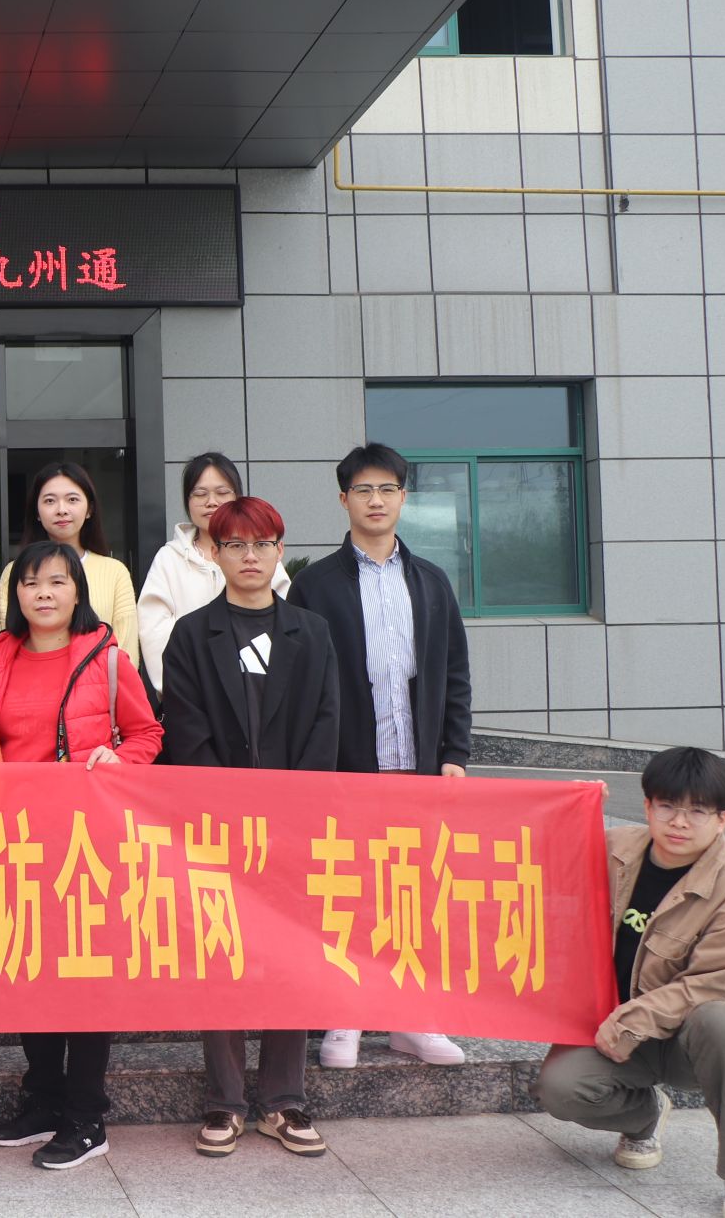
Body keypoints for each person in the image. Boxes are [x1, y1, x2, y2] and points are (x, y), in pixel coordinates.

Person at [158, 498, 339, 1159]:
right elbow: (186, 729)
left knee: (292, 954)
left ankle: (284, 1099)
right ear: (215, 553)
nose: (250, 556)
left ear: (279, 551)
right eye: (235, 544)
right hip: (217, 823)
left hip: (294, 823)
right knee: (222, 952)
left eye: (262, 544)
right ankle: (226, 1100)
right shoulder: (191, 634)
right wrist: (231, 807)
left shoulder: (312, 632)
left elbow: (327, 723)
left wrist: (289, 807)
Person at [287, 442, 472, 1071]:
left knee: (415, 892)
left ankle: (411, 1019)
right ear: (343, 499)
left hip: (419, 765)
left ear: (403, 498)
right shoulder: (315, 585)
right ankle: (345, 1015)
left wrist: (454, 750)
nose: (375, 500)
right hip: (347, 768)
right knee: (349, 892)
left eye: (387, 489)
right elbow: (301, 684)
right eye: (363, 490)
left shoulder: (431, 581)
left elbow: (453, 672)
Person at [0, 540, 161, 1170]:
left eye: (57, 581)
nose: (44, 593)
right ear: (16, 594)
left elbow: (147, 733)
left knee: (84, 974)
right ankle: (44, 1099)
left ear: (78, 590)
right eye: (31, 583)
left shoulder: (106, 657)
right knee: (30, 968)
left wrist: (120, 758)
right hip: (18, 839)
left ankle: (87, 1116)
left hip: (89, 841)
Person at [536, 748, 725, 1218]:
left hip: (690, 1042)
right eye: (667, 806)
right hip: (615, 1031)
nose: (679, 822)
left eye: (697, 811)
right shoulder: (615, 849)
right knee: (559, 1087)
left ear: (721, 820)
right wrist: (573, 811)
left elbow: (710, 984)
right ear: (647, 806)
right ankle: (645, 1117)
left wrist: (631, 1022)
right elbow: (537, 855)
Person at [136, 452, 289, 694]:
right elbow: (154, 631)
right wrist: (183, 685)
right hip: (190, 691)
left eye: (222, 492)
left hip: (259, 688)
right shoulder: (169, 558)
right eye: (200, 494)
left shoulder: (260, 555)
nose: (211, 502)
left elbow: (283, 619)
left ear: (237, 496)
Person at [0, 461, 139, 664]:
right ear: (37, 512)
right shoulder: (15, 572)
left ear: (89, 509)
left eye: (72, 499)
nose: (61, 510)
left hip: (99, 683)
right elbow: (8, 642)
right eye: (50, 501)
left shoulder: (115, 572)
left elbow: (126, 653)